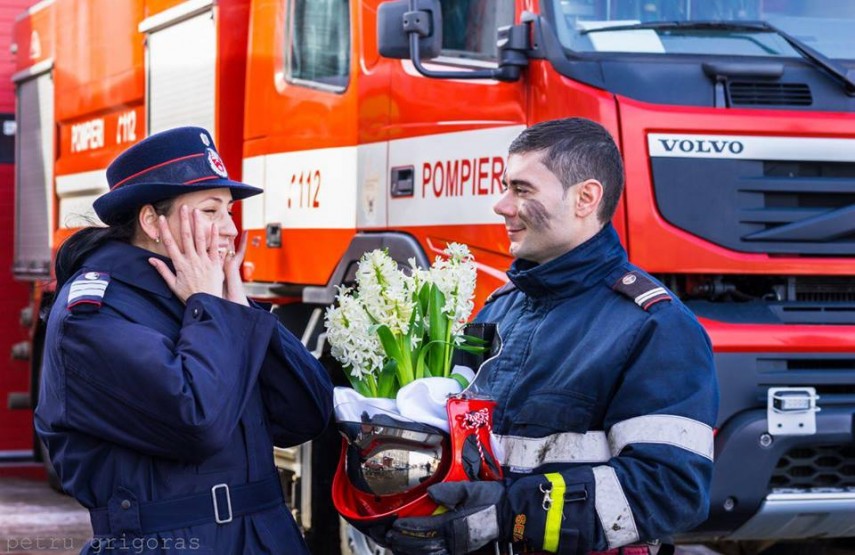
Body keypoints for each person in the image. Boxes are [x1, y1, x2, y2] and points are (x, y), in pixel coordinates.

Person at [384, 118, 719, 555]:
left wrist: (508, 515)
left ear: (586, 198)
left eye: (522, 190)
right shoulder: (496, 309)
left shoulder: (655, 328)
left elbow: (671, 490)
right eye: (506, 187)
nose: (501, 205)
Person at [34, 127, 334, 554]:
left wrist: (242, 314)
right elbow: (197, 423)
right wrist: (211, 310)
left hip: (266, 539)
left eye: (230, 211)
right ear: (153, 222)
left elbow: (306, 414)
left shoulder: (208, 297)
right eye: (211, 211)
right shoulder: (92, 316)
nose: (231, 229)